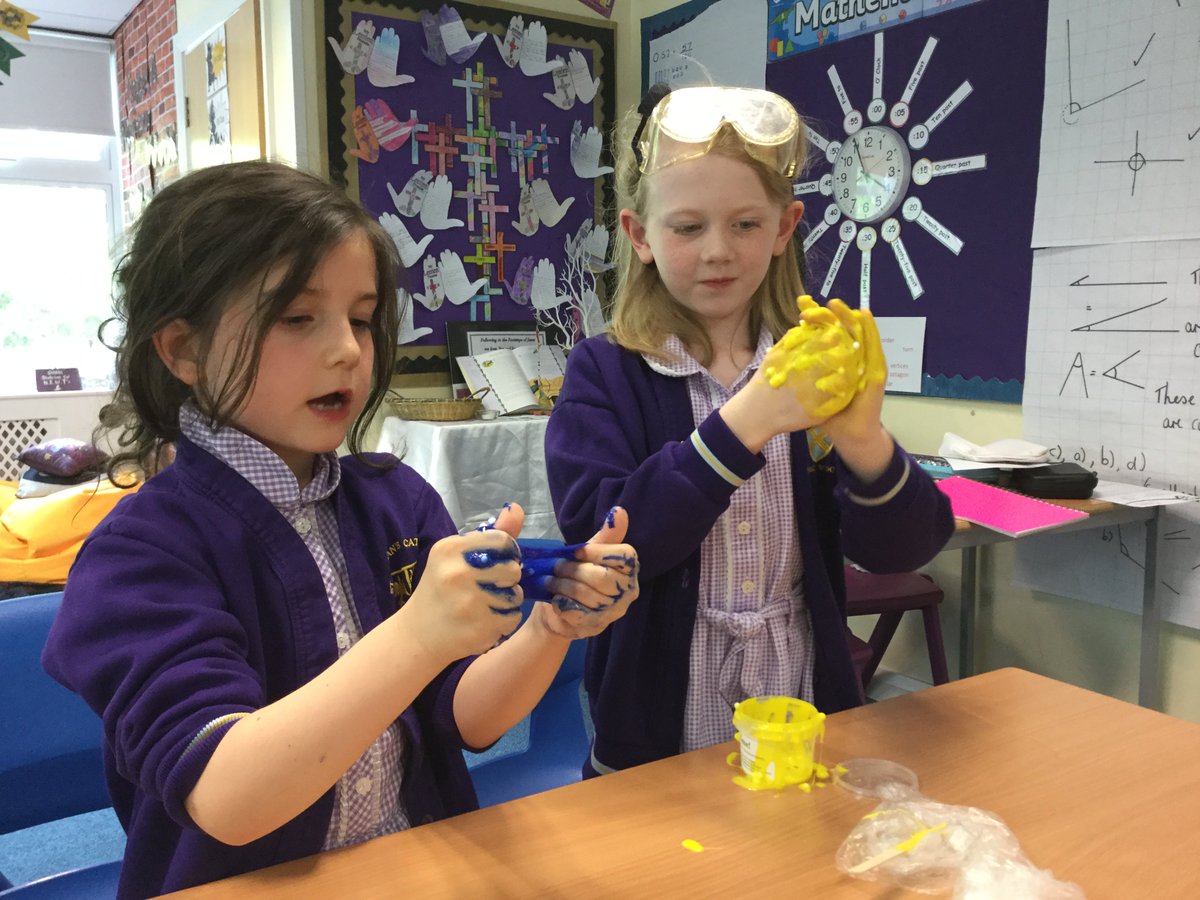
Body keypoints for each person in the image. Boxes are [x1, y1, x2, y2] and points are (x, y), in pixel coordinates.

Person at [42, 160, 639, 899]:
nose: (349, 351)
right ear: (184, 351)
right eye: (297, 318)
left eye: (360, 318)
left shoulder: (395, 499)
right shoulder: (140, 555)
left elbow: (467, 718)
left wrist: (547, 628)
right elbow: (226, 795)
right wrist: (418, 634)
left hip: (411, 870)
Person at [544, 86, 954, 777]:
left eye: (743, 224)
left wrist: (862, 440)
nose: (717, 251)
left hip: (798, 688)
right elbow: (603, 542)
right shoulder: (603, 371)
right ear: (640, 236)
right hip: (657, 711)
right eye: (686, 227)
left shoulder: (810, 359)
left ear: (785, 227)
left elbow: (904, 549)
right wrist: (746, 424)